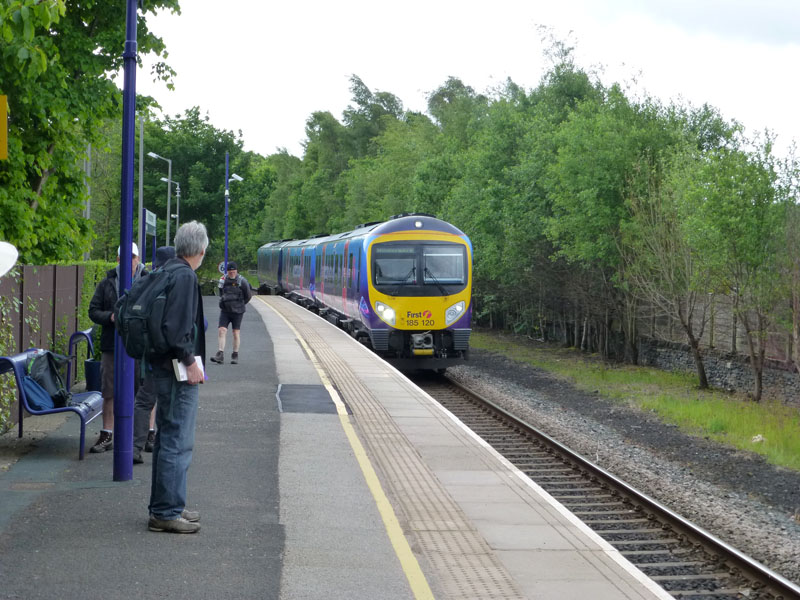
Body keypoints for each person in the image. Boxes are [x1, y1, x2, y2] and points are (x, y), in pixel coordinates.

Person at [146, 221, 207, 534]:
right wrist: (190, 361)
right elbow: (176, 328)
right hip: (177, 369)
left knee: (167, 438)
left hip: (162, 366)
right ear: (200, 250)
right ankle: (166, 511)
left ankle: (168, 504)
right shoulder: (185, 276)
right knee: (177, 440)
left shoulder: (168, 269)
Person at [88, 242, 144, 453]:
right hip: (112, 344)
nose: (129, 261)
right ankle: (107, 433)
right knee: (109, 390)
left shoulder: (146, 281)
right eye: (125, 257)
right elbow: (93, 311)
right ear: (119, 260)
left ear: (138, 259)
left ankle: (144, 434)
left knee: (143, 389)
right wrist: (110, 317)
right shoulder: (106, 283)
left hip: (139, 345)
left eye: (133, 257)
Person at [132, 246, 175, 465]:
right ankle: (166, 447)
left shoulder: (144, 282)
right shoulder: (174, 283)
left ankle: (135, 447)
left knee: (143, 401)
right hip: (172, 355)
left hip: (147, 354)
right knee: (174, 400)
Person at [210, 261, 251, 365]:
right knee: (221, 330)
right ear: (227, 271)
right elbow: (220, 293)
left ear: (236, 271)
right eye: (230, 271)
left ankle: (235, 354)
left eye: (233, 271)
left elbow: (248, 296)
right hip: (225, 311)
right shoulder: (223, 280)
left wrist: (240, 304)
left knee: (235, 333)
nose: (232, 273)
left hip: (238, 311)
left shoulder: (242, 281)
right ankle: (220, 354)